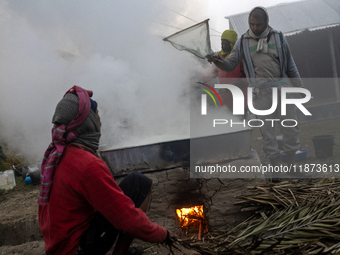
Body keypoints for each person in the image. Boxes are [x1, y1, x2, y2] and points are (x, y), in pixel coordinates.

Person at [38, 86, 175, 255]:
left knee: (135, 182)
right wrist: (163, 234)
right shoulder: (86, 164)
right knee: (138, 188)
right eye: (97, 115)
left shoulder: (57, 154)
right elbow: (127, 219)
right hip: (75, 249)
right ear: (88, 123)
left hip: (58, 245)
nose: (100, 121)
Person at [208, 7, 303, 176]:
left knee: (290, 128)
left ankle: (291, 166)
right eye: (252, 24)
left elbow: (290, 66)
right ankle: (275, 170)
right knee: (267, 131)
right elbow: (230, 64)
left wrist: (299, 88)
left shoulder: (279, 37)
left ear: (266, 22)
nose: (255, 28)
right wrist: (218, 61)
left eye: (259, 24)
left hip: (281, 89)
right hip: (260, 94)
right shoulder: (243, 41)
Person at [202, 29, 247, 111]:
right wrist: (197, 81)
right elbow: (212, 73)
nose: (224, 46)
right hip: (225, 100)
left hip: (241, 100)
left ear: (233, 43)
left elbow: (250, 78)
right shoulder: (219, 57)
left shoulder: (240, 57)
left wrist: (236, 85)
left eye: (227, 44)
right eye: (222, 43)